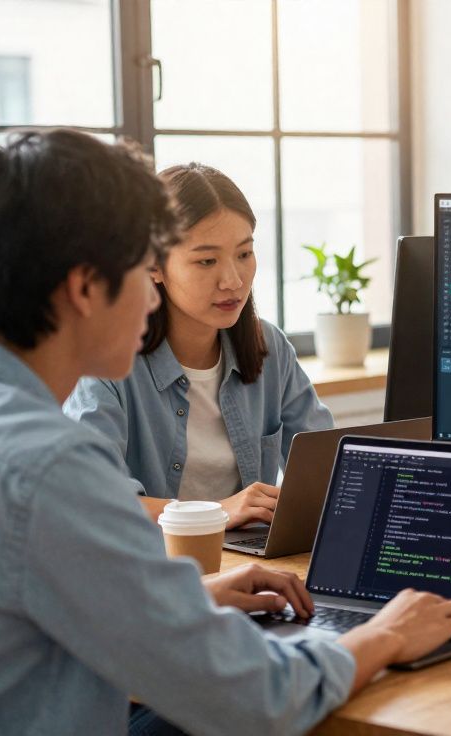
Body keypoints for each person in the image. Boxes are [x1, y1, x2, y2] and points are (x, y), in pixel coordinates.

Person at [0, 130, 451, 733]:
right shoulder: (49, 467)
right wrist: (385, 634)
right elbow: (257, 696)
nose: (150, 295)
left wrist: (190, 602)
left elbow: (48, 603)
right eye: (142, 265)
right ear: (85, 288)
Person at [65, 163, 330, 529]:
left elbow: (328, 470)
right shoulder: (105, 363)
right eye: (207, 260)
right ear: (154, 266)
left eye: (244, 254)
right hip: (153, 569)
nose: (233, 280)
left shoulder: (270, 347)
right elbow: (94, 500)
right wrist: (217, 512)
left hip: (249, 564)